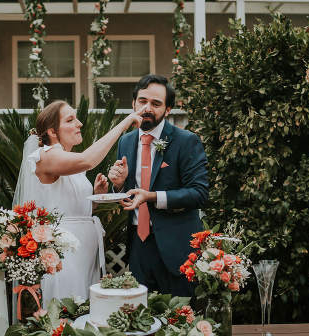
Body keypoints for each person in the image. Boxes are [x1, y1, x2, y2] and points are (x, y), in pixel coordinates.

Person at [14, 100, 142, 304]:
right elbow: (88, 160)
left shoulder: (69, 160)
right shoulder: (44, 156)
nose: (80, 123)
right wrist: (124, 123)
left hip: (85, 249)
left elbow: (71, 209)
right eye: (71, 120)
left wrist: (96, 197)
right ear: (53, 132)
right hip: (63, 253)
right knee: (68, 306)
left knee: (85, 309)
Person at [108, 74, 209, 297]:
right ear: (133, 103)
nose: (147, 108)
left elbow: (199, 193)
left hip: (177, 247)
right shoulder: (126, 141)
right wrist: (119, 185)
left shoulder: (186, 141)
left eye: (156, 104)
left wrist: (152, 196)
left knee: (181, 320)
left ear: (168, 109)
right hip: (138, 246)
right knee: (141, 319)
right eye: (142, 101)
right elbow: (128, 195)